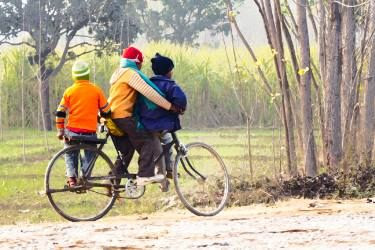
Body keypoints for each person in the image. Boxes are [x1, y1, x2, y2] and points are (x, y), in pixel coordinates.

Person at [108, 46, 181, 186]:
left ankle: (112, 182)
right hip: (123, 116)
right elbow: (150, 93)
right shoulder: (131, 74)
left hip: (113, 116)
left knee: (127, 150)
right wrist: (170, 106)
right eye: (140, 63)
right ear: (136, 61)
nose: (141, 66)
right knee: (147, 141)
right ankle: (144, 175)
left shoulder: (119, 73)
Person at [55, 61, 111, 187]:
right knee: (90, 154)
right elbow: (107, 111)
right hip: (90, 133)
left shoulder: (69, 91)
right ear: (88, 75)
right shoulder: (96, 90)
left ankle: (72, 179)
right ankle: (84, 177)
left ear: (74, 76)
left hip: (72, 132)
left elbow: (60, 112)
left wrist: (60, 130)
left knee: (70, 153)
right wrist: (100, 117)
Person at [138, 53, 187, 178]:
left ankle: (166, 171)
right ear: (168, 72)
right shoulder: (169, 85)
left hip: (146, 123)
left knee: (163, 144)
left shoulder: (147, 83)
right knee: (167, 142)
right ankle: (168, 171)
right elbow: (181, 100)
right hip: (161, 123)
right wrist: (179, 109)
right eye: (171, 70)